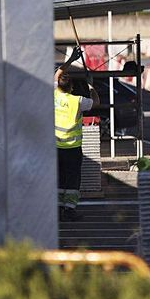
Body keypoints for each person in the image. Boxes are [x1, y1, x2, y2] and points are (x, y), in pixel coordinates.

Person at [54, 65, 99, 221]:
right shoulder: (78, 101)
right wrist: (90, 85)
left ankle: (58, 208)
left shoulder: (53, 96)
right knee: (73, 179)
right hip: (72, 148)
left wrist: (70, 61)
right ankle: (69, 210)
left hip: (56, 147)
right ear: (71, 87)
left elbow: (57, 75)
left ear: (58, 86)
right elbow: (96, 102)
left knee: (59, 177)